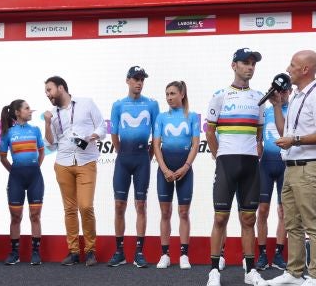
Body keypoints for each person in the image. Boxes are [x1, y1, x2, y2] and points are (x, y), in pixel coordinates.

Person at [267, 50, 316, 286]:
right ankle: (294, 273)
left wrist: (295, 140)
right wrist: (277, 107)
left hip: (309, 168)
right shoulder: (296, 96)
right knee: (292, 223)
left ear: (305, 69)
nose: (288, 68)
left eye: (293, 65)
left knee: (313, 225)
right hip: (291, 168)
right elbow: (284, 133)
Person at [205, 48, 268, 286]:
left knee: (249, 218)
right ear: (234, 65)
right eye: (245, 63)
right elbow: (210, 131)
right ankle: (213, 270)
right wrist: (218, 156)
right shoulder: (220, 95)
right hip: (226, 162)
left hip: (250, 163)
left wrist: (257, 147)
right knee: (220, 217)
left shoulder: (260, 98)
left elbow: (259, 132)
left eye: (253, 64)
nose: (250, 67)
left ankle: (250, 270)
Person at [43, 75, 106, 266]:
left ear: (61, 88)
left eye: (49, 90)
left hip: (86, 161)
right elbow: (50, 144)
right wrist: (47, 123)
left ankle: (91, 251)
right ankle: (73, 252)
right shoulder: (52, 114)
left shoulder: (86, 103)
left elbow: (102, 126)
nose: (47, 94)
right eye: (46, 91)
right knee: (69, 209)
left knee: (85, 206)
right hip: (63, 163)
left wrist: (92, 136)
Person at [108, 66, 159, 268]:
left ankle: (139, 252)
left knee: (141, 205)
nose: (139, 83)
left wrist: (149, 156)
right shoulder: (118, 105)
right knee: (119, 205)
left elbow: (156, 136)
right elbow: (113, 133)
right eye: (136, 79)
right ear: (127, 80)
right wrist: (122, 152)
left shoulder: (152, 104)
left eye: (142, 79)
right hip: (123, 159)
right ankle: (119, 252)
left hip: (142, 160)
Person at [153, 81, 199, 270]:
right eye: (167, 94)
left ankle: (183, 255)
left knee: (183, 213)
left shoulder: (192, 116)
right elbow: (156, 145)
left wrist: (186, 167)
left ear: (182, 94)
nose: (169, 97)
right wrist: (164, 169)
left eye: (172, 93)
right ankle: (164, 254)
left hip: (184, 170)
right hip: (165, 170)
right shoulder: (161, 117)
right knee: (165, 212)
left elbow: (196, 144)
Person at [0, 99, 45, 265]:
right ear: (18, 113)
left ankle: (35, 252)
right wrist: (15, 171)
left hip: (35, 177)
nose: (30, 110)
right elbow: (3, 158)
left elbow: (41, 153)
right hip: (16, 178)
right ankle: (15, 253)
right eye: (27, 108)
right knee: (15, 217)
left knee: (35, 216)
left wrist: (34, 168)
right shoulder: (8, 133)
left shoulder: (36, 130)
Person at [257, 83, 290, 272]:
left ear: (291, 91)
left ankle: (278, 254)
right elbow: (258, 139)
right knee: (262, 210)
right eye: (279, 91)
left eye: (286, 91)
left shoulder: (295, 110)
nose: (282, 94)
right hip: (266, 165)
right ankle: (262, 254)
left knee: (283, 212)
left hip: (286, 165)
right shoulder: (265, 111)